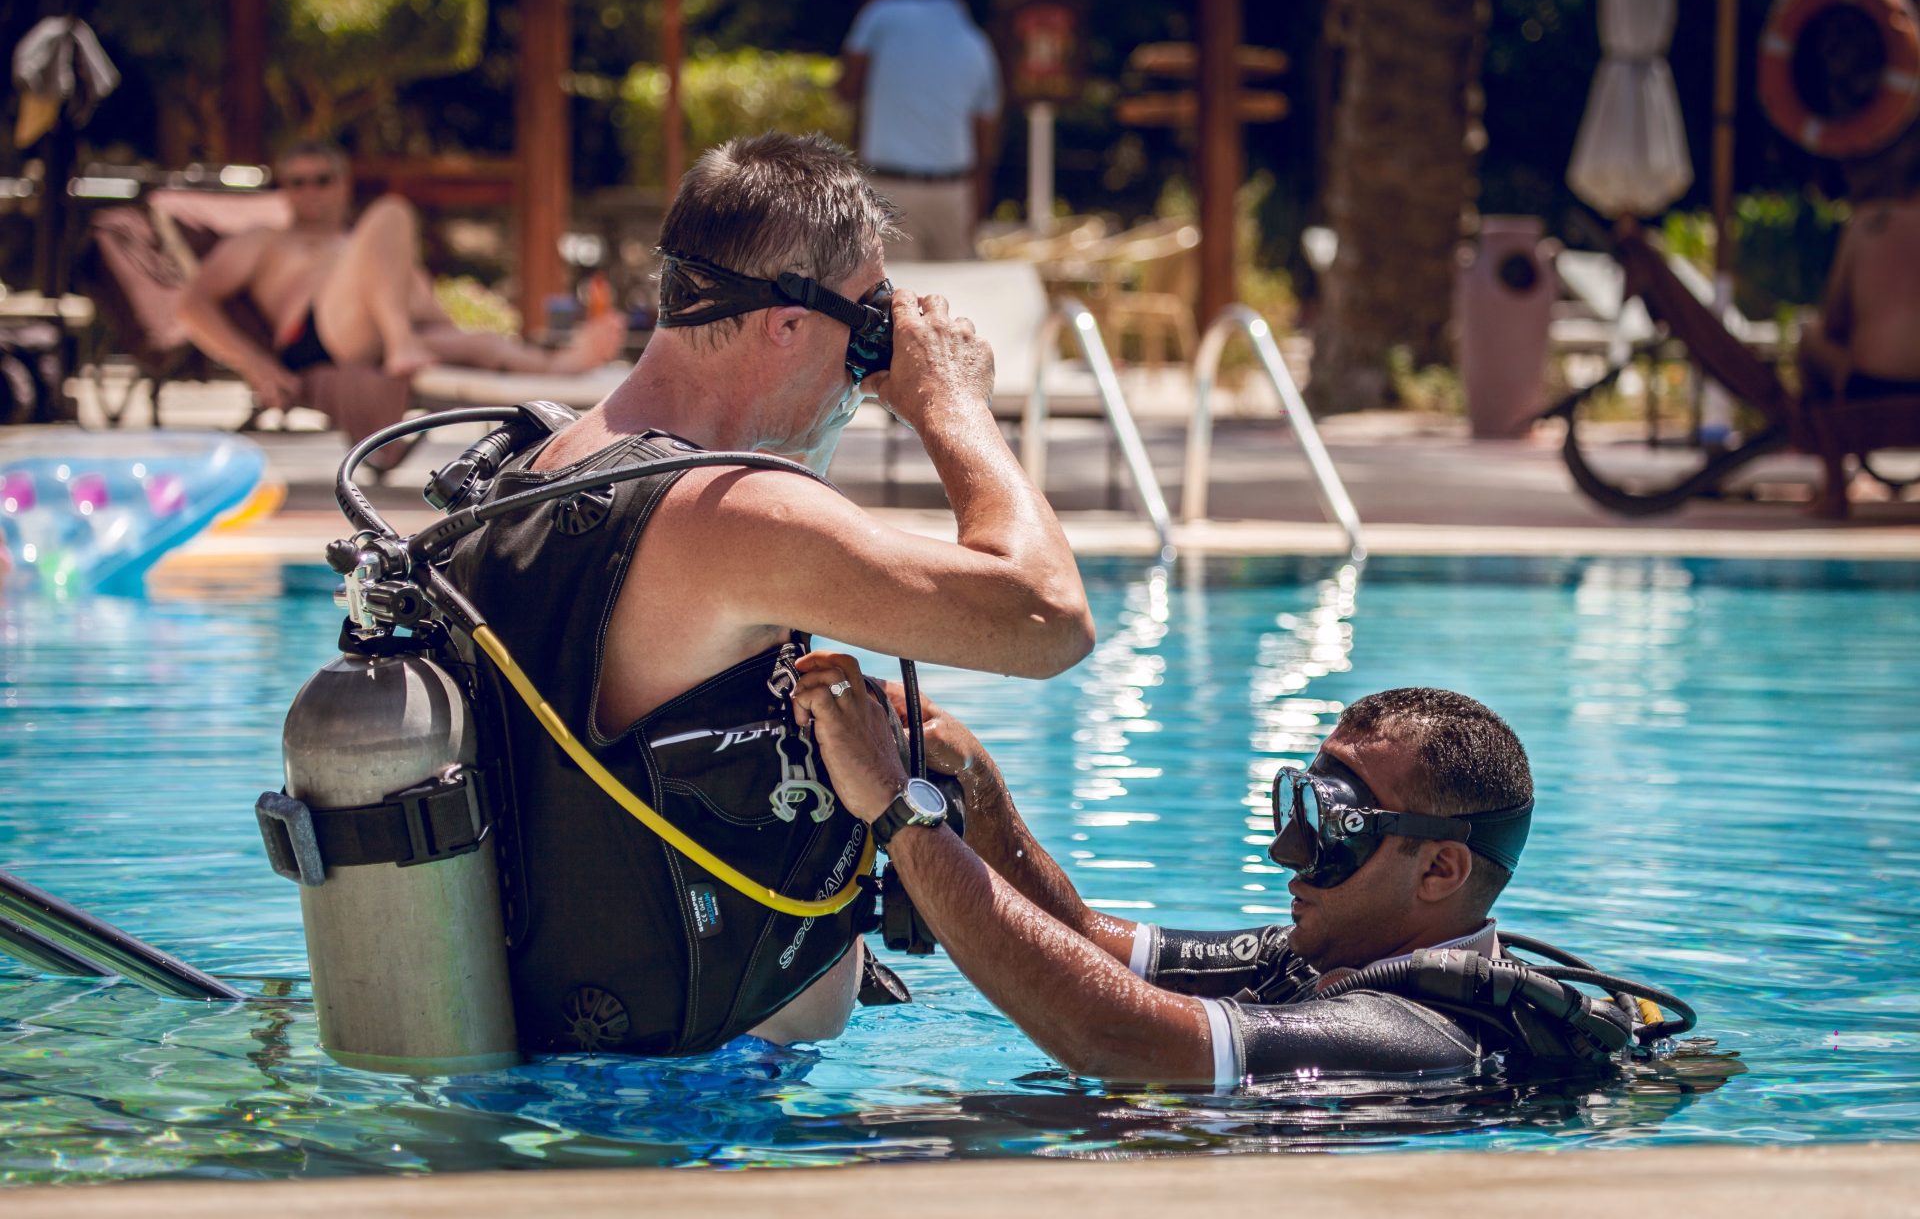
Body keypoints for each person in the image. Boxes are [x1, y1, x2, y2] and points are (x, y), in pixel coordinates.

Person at [444, 132, 1093, 1059]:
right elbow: (1048, 619)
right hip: (709, 1108)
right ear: (787, 321)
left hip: (584, 1054)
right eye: (871, 321)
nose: (876, 368)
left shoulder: (543, 466)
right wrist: (950, 403)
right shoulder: (729, 514)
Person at [792, 670, 1648, 1086]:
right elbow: (1089, 943)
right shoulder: (1318, 955)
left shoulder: (1419, 1032)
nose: (1288, 854)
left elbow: (1112, 1038)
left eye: (1332, 828)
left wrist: (901, 817)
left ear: (1442, 870)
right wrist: (974, 782)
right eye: (1299, 807)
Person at [177, 140, 626, 414]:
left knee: (485, 343)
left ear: (344, 183)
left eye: (322, 179)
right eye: (297, 182)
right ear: (283, 189)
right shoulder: (263, 240)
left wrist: (451, 338)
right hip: (316, 337)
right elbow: (190, 304)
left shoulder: (362, 245)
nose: (309, 191)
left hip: (382, 328)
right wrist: (253, 363)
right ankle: (401, 344)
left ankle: (557, 366)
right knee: (392, 211)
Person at [838, 0, 1002, 261]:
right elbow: (984, 141)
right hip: (953, 192)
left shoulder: (882, 14)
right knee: (954, 295)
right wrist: (975, 211)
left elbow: (848, 87)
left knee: (888, 296)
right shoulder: (978, 44)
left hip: (890, 188)